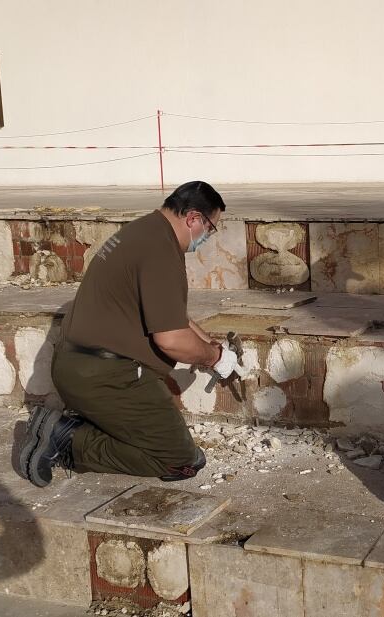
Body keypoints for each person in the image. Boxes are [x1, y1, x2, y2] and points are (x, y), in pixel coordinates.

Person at [20, 181, 242, 488]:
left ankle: (64, 428)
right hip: (108, 376)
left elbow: (171, 314)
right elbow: (171, 339)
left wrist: (210, 345)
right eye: (210, 228)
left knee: (167, 443)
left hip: (80, 367)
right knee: (180, 460)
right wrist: (214, 358)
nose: (207, 237)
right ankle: (65, 438)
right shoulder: (161, 250)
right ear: (193, 218)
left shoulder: (144, 231)